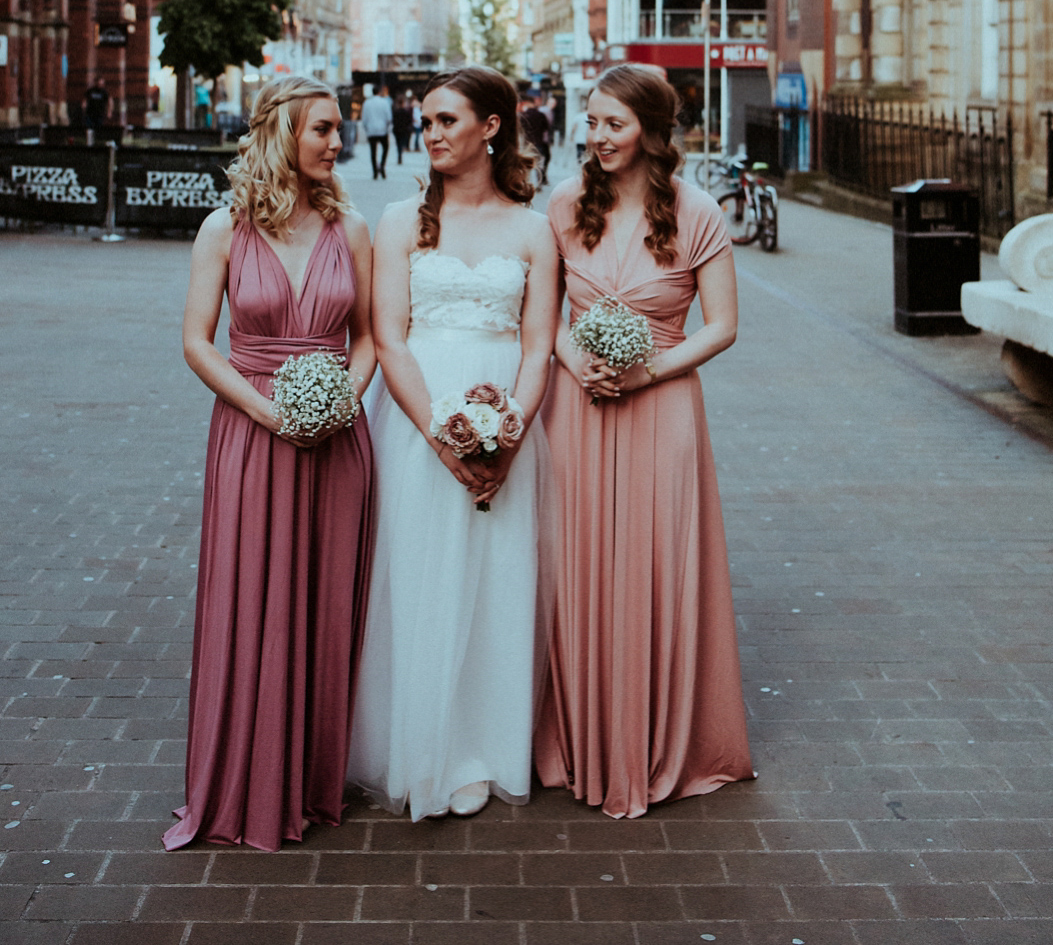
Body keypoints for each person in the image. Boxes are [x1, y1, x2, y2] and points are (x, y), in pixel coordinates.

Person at [534, 63, 752, 819]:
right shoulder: (564, 205)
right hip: (579, 403)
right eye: (591, 122)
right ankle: (578, 737)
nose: (596, 137)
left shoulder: (697, 213)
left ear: (653, 132)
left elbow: (722, 326)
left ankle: (657, 736)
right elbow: (544, 318)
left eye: (613, 124)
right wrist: (578, 364)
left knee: (658, 561)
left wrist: (645, 372)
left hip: (662, 408)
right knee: (576, 562)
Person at [164, 75, 375, 851]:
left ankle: (312, 780)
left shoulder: (351, 229)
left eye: (338, 129)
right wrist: (268, 413)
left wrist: (335, 406)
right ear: (281, 130)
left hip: (334, 441)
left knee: (320, 601)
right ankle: (244, 781)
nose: (336, 141)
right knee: (249, 595)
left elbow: (370, 341)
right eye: (321, 127)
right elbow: (196, 341)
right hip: (252, 436)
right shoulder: (223, 228)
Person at [347, 66, 558, 821]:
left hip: (505, 409)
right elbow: (388, 337)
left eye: (446, 120)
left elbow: (539, 348)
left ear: (491, 127)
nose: (430, 132)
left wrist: (509, 431)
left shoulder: (533, 229)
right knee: (418, 573)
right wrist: (442, 434)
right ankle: (420, 743)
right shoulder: (403, 219)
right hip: (416, 412)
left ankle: (484, 745)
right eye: (427, 121)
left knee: (497, 578)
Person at [361, 83, 393, 180]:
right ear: (379, 92)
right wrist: (387, 127)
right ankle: (382, 166)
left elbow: (364, 119)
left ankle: (375, 171)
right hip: (382, 130)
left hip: (371, 130)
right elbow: (389, 117)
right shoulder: (384, 102)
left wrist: (366, 128)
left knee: (373, 151)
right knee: (385, 148)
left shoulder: (366, 103)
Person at [520, 95, 551, 188]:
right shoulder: (541, 115)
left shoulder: (523, 116)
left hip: (527, 143)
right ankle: (539, 182)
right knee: (538, 163)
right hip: (539, 142)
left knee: (526, 163)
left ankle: (527, 181)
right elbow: (546, 128)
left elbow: (520, 130)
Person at [392, 92, 413, 166]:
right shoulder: (406, 112)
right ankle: (400, 153)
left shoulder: (396, 112)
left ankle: (399, 154)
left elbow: (393, 121)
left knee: (398, 143)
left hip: (397, 130)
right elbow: (409, 121)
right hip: (403, 130)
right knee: (401, 142)